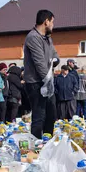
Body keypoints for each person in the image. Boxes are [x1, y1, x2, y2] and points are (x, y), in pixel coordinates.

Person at [23, 9, 59, 138]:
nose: (53, 25)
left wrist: (56, 60)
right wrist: (47, 81)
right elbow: (40, 63)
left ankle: (47, 141)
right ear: (46, 21)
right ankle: (37, 144)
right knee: (40, 116)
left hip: (47, 81)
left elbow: (54, 54)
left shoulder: (47, 38)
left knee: (51, 114)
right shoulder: (33, 37)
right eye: (52, 22)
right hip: (36, 83)